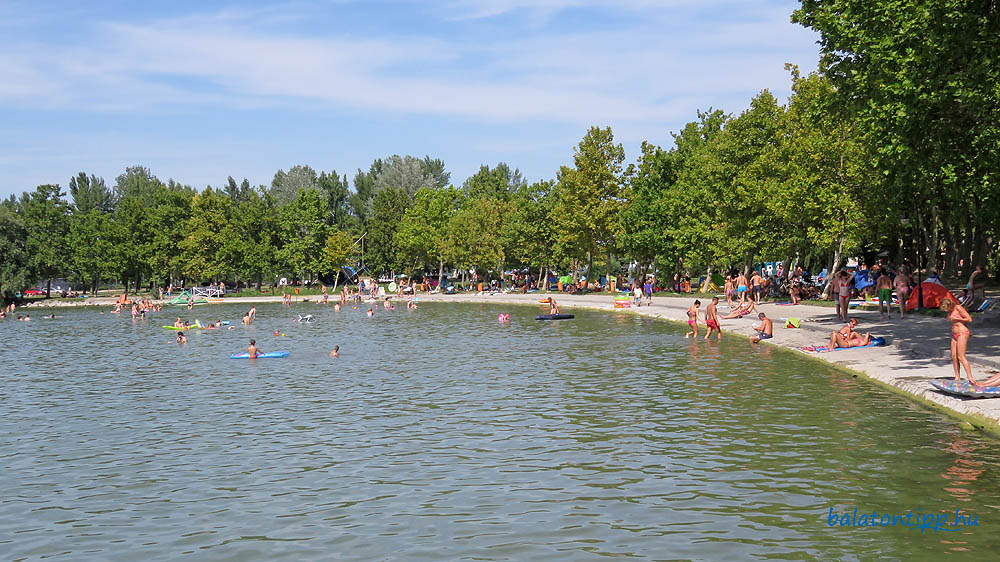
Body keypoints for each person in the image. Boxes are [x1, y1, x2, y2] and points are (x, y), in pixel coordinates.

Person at [940, 299, 975, 384]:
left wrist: (958, 319)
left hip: (962, 333)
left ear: (950, 305)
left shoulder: (958, 308)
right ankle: (957, 376)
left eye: (947, 309)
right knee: (954, 356)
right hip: (955, 335)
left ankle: (970, 378)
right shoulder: (951, 311)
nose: (947, 311)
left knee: (961, 356)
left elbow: (969, 319)